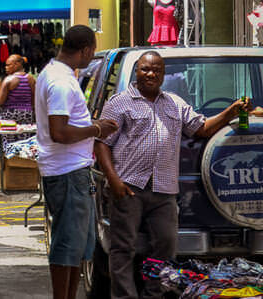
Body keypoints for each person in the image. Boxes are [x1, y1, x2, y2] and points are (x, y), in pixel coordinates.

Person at [95, 51, 250, 299]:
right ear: (137, 71)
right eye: (146, 69)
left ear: (164, 74)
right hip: (128, 187)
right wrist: (113, 179)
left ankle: (152, 294)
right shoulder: (119, 102)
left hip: (165, 189)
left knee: (165, 248)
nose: (151, 74)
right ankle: (124, 296)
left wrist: (230, 113)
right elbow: (102, 142)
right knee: (123, 249)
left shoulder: (174, 103)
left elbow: (200, 128)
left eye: (157, 70)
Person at [34, 25, 118, 299]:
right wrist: (96, 130)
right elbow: (59, 132)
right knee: (68, 244)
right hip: (67, 171)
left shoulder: (56, 73)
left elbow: (67, 125)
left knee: (77, 245)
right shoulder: (60, 81)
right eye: (91, 52)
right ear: (85, 50)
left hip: (72, 169)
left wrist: (92, 125)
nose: (91, 58)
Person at [0, 54, 35, 148]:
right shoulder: (30, 78)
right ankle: (22, 161)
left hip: (10, 114)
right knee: (25, 141)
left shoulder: (8, 80)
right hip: (27, 113)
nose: (6, 68)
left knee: (9, 142)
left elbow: (0, 101)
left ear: (18, 64)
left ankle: (10, 160)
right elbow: (34, 98)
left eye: (9, 65)